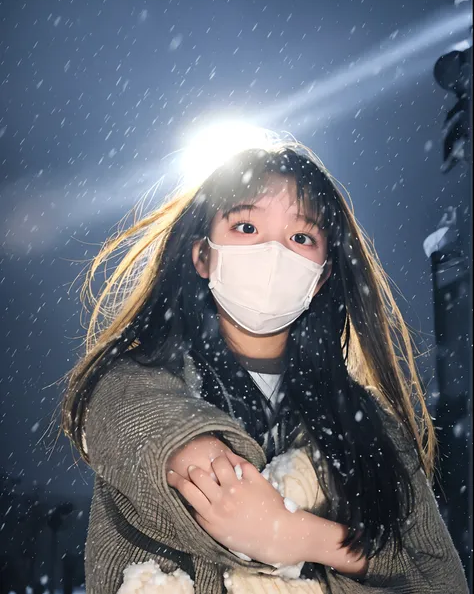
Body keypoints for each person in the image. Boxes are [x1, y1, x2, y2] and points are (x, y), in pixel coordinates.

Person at [61, 140, 469, 594]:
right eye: (247, 226)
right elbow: (167, 450)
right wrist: (346, 551)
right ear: (202, 254)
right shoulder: (131, 386)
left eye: (301, 238)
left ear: (323, 277)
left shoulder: (374, 427)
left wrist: (299, 535)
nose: (274, 255)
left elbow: (439, 580)